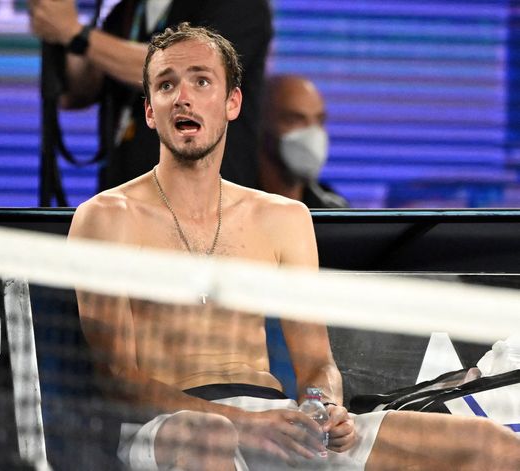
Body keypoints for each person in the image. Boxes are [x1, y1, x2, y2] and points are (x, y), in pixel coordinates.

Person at [68, 23, 520, 470]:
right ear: (150, 111)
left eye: (201, 81)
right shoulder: (107, 218)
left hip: (275, 419)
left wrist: (322, 409)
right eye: (166, 85)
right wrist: (243, 425)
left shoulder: (284, 218)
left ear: (232, 103)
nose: (182, 96)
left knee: (488, 444)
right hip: (169, 425)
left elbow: (317, 364)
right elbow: (117, 380)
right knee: (211, 437)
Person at [29, 0, 271, 192]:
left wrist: (76, 34)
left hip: (208, 200)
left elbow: (179, 69)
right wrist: (60, 29)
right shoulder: (128, 10)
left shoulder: (239, 5)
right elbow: (77, 93)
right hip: (125, 190)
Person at [259, 74, 348, 209]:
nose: (312, 133)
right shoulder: (230, 207)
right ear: (261, 124)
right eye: (295, 120)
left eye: (320, 120)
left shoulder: (333, 209)